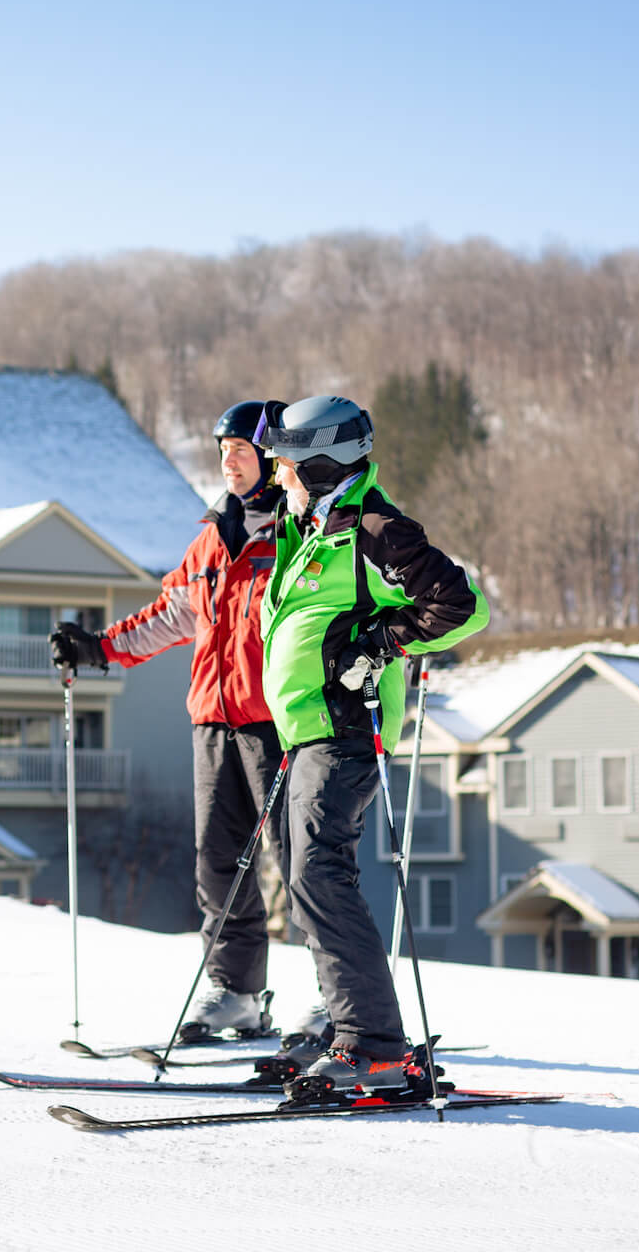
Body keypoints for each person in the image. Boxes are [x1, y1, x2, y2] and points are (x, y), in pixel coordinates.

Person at [250, 393, 489, 1098]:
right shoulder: (310, 531)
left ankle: (375, 1045)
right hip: (304, 729)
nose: (278, 475)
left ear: (322, 464)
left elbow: (458, 603)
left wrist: (383, 642)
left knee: (320, 874)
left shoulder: (378, 531)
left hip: (343, 729)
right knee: (304, 877)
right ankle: (338, 1026)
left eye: (286, 463)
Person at [48, 400, 288, 1042]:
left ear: (271, 456)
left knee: (303, 864)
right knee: (217, 862)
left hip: (279, 723)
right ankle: (238, 993)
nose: (228, 462)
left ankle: (335, 1000)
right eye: (221, 451)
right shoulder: (212, 539)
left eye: (240, 449)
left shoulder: (297, 536)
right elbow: (172, 615)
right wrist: (98, 647)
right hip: (214, 719)